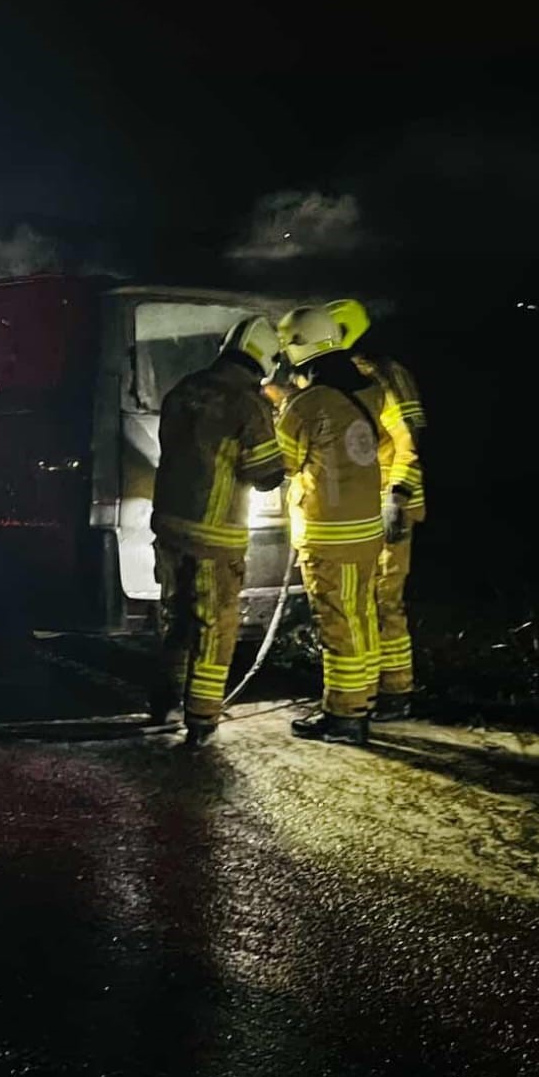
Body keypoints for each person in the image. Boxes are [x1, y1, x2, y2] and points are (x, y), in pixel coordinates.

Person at [275, 305, 416, 746]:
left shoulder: (306, 402)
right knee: (364, 615)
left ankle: (346, 715)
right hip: (365, 529)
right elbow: (399, 439)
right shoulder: (372, 388)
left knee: (339, 621)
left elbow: (283, 463)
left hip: (327, 532)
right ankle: (370, 699)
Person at [151, 314, 284, 746]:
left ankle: (164, 697)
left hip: (170, 526)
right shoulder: (249, 404)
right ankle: (202, 718)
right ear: (265, 359)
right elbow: (265, 474)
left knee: (175, 616)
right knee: (215, 624)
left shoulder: (184, 389)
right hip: (215, 537)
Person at [328, 298, 426, 720]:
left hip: (392, 504)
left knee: (384, 599)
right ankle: (372, 693)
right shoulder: (357, 375)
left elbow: (409, 437)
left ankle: (395, 693)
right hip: (366, 508)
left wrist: (397, 496)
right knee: (367, 602)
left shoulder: (384, 374)